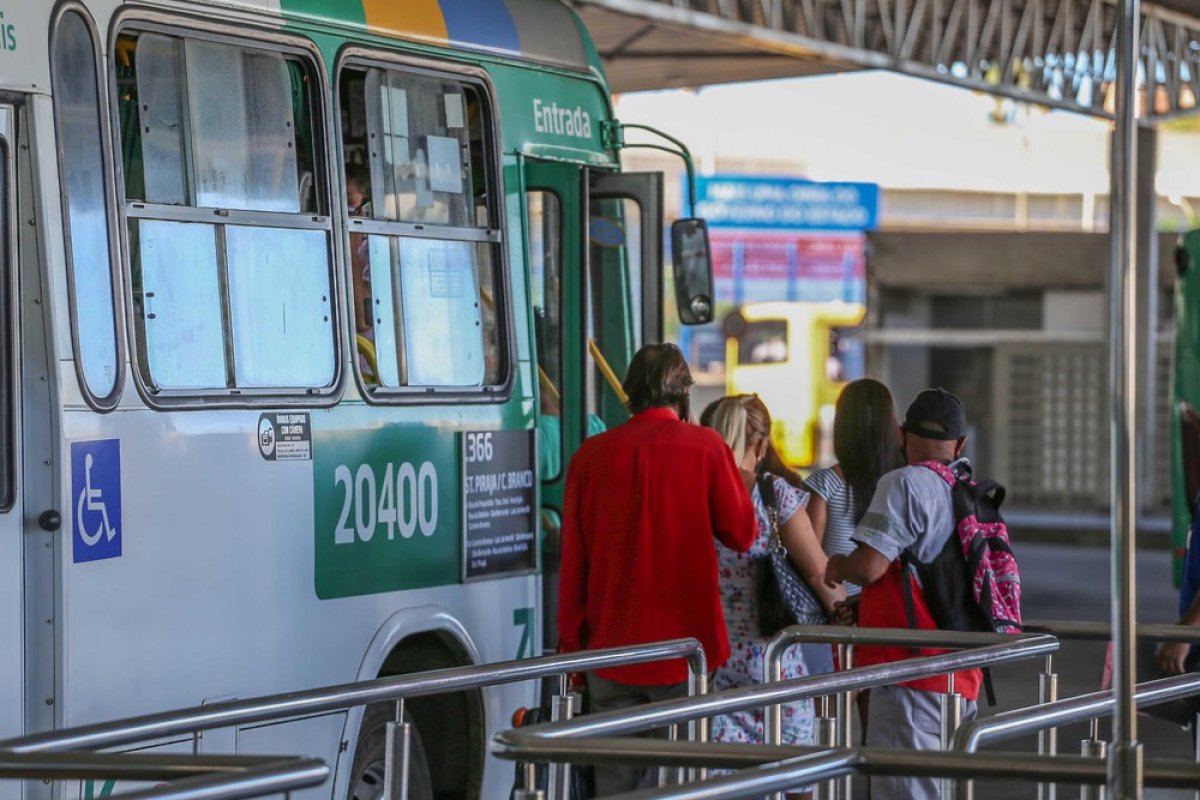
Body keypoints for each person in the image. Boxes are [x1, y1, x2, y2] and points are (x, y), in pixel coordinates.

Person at [557, 343, 757, 795]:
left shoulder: (590, 456)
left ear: (629, 393)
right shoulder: (707, 448)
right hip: (688, 652)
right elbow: (742, 533)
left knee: (616, 785)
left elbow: (574, 566)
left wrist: (572, 649)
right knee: (681, 783)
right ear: (684, 393)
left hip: (609, 650)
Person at [824, 388, 981, 800]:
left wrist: (838, 566)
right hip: (962, 677)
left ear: (901, 434)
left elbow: (870, 566)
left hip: (911, 680)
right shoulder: (969, 492)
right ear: (960, 443)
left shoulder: (904, 483)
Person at [702, 395, 844, 764]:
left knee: (718, 779)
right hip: (775, 667)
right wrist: (851, 616)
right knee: (794, 774)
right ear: (762, 445)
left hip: (710, 669)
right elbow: (818, 572)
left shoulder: (694, 494)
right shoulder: (772, 493)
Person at [804, 379, 905, 677]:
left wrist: (840, 609)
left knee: (837, 703)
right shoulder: (904, 485)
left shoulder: (825, 485)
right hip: (892, 623)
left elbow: (811, 562)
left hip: (837, 625)